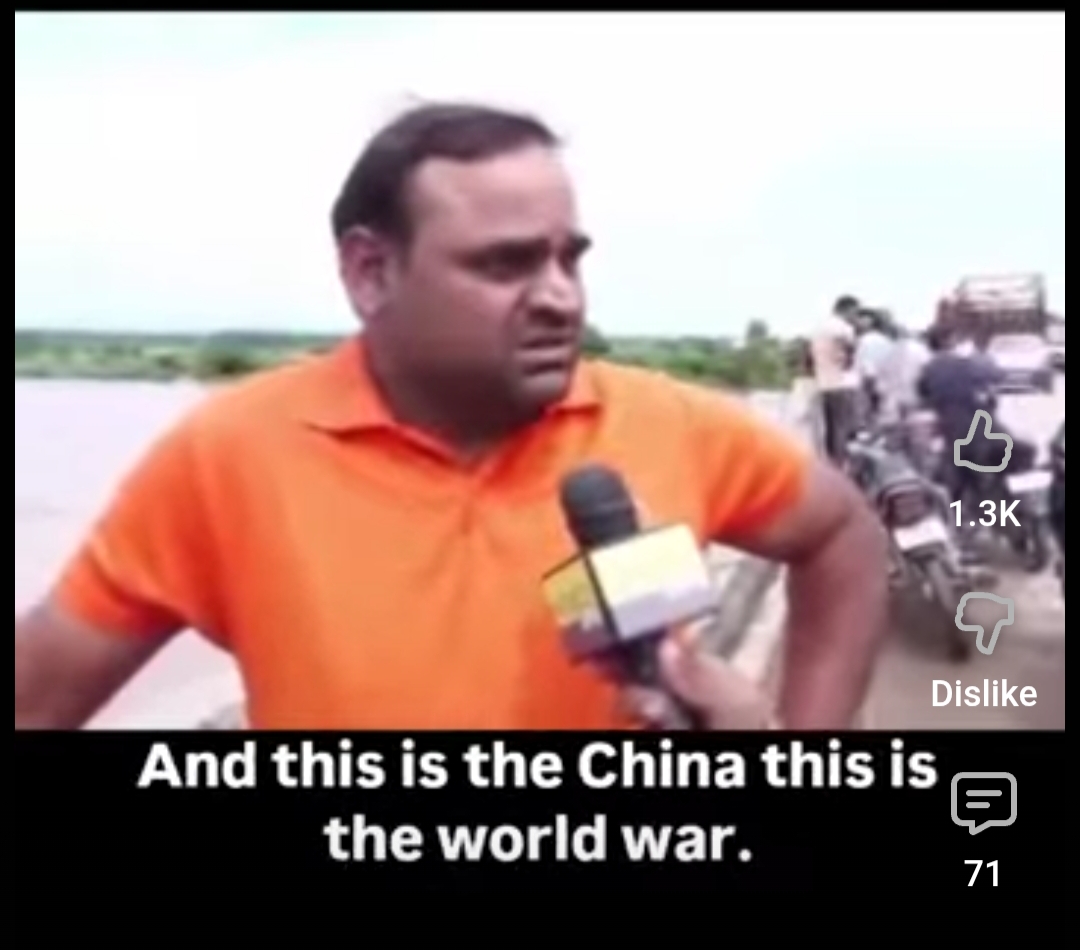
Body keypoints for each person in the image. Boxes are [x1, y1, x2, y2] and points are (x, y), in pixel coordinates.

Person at [14, 102, 889, 731]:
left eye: (569, 258)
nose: (560, 296)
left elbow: (842, 532)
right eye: (506, 264)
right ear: (370, 272)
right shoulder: (228, 456)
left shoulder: (671, 424)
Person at [917, 324, 1004, 560]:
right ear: (951, 340)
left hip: (953, 434)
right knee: (985, 478)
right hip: (982, 430)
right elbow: (994, 379)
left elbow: (922, 395)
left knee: (954, 486)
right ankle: (993, 522)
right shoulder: (968, 363)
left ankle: (964, 535)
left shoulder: (930, 369)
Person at [808, 295, 862, 463]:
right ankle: (842, 465)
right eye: (855, 313)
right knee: (844, 429)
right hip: (844, 384)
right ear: (847, 310)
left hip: (823, 385)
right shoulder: (845, 329)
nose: (856, 317)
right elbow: (851, 355)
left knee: (830, 430)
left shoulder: (818, 329)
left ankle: (831, 463)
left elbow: (808, 359)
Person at [853, 309, 894, 425]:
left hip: (869, 389)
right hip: (886, 388)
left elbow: (868, 372)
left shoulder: (863, 341)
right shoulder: (888, 341)